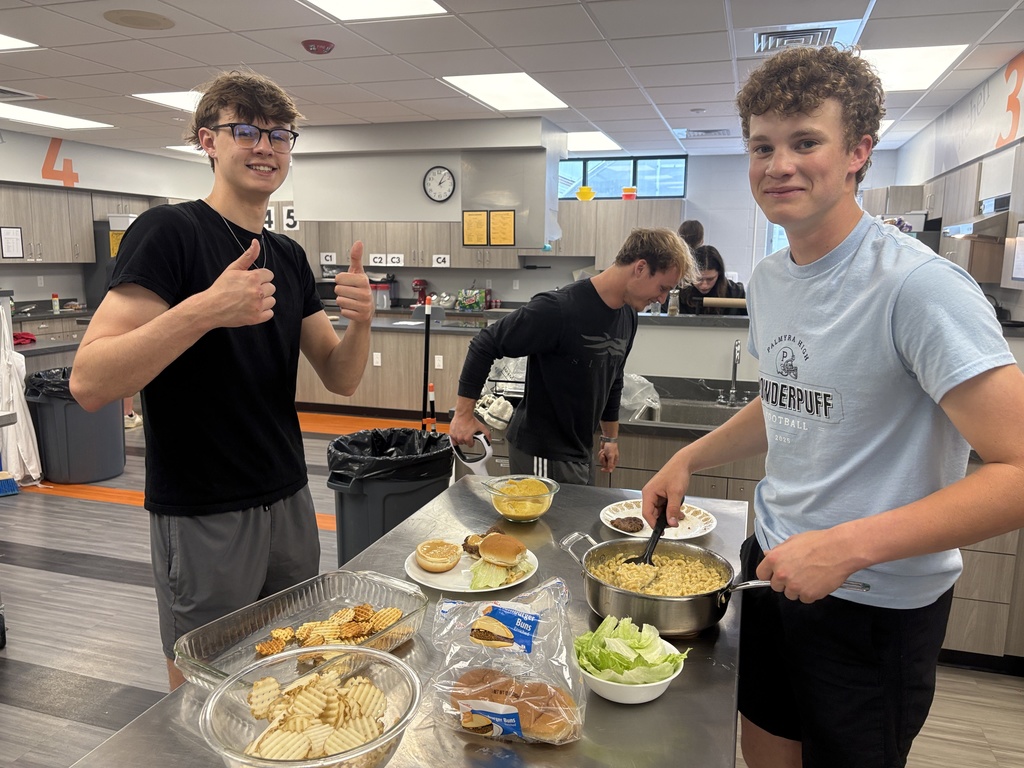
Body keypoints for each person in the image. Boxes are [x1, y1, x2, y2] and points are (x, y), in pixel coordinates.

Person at [640, 45, 1024, 768]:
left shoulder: (919, 288)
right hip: (773, 567)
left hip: (874, 603)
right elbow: (787, 401)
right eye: (762, 146)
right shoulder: (771, 277)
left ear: (857, 153)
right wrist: (688, 456)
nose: (778, 164)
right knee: (766, 753)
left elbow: (1018, 468)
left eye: (805, 141)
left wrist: (847, 546)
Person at [69, 70, 374, 691]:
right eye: (245, 130)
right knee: (206, 680)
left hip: (288, 497)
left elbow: (340, 378)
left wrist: (361, 322)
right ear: (207, 140)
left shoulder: (287, 256)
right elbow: (90, 382)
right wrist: (205, 309)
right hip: (205, 507)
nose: (265, 146)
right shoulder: (170, 234)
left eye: (279, 135)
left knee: (294, 667)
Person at [449, 228, 694, 485]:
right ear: (641, 268)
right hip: (542, 453)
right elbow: (484, 343)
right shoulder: (560, 309)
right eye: (663, 288)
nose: (662, 299)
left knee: (574, 525)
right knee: (550, 526)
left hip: (579, 450)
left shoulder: (627, 315)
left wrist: (610, 438)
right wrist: (464, 415)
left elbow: (613, 376)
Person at [677, 244, 745, 314]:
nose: (704, 285)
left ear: (719, 275)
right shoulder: (676, 293)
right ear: (690, 274)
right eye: (698, 279)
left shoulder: (737, 294)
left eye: (710, 279)